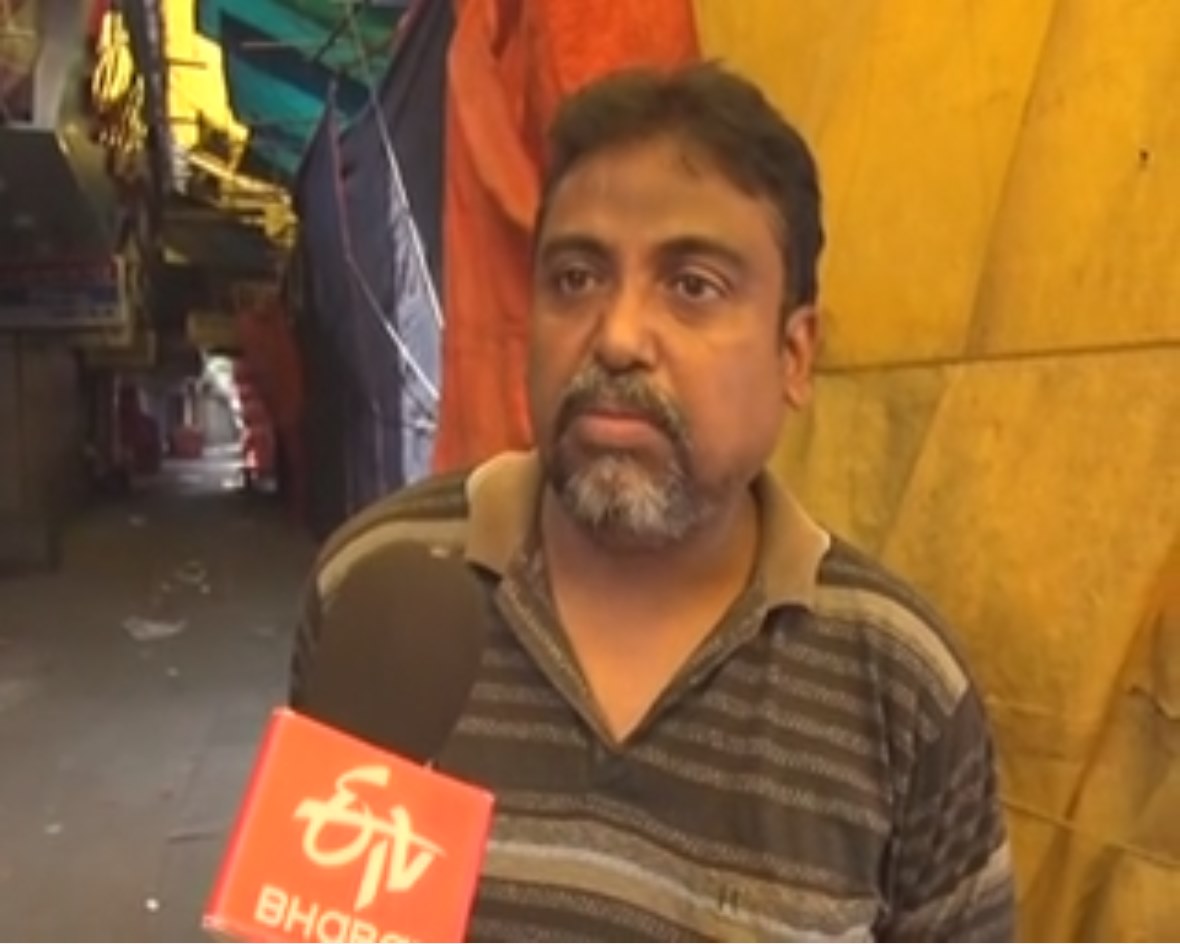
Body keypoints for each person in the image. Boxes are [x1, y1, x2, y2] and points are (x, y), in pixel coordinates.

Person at [290, 62, 1016, 942]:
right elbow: (313, 916)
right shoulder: (380, 590)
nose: (619, 336)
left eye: (693, 285)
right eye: (575, 278)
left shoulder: (900, 687)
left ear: (794, 355)